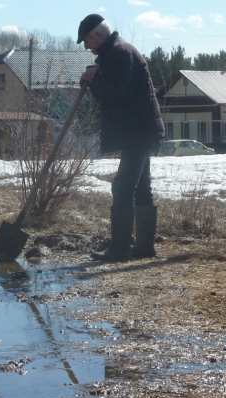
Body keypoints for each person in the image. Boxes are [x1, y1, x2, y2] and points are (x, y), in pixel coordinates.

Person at [77, 14, 165, 261]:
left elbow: (117, 92)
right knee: (141, 187)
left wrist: (96, 79)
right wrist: (95, 80)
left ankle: (120, 248)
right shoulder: (112, 54)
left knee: (123, 185)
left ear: (97, 35)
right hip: (139, 129)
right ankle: (144, 248)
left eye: (86, 40)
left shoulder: (120, 53)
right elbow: (107, 96)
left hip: (139, 130)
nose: (86, 47)